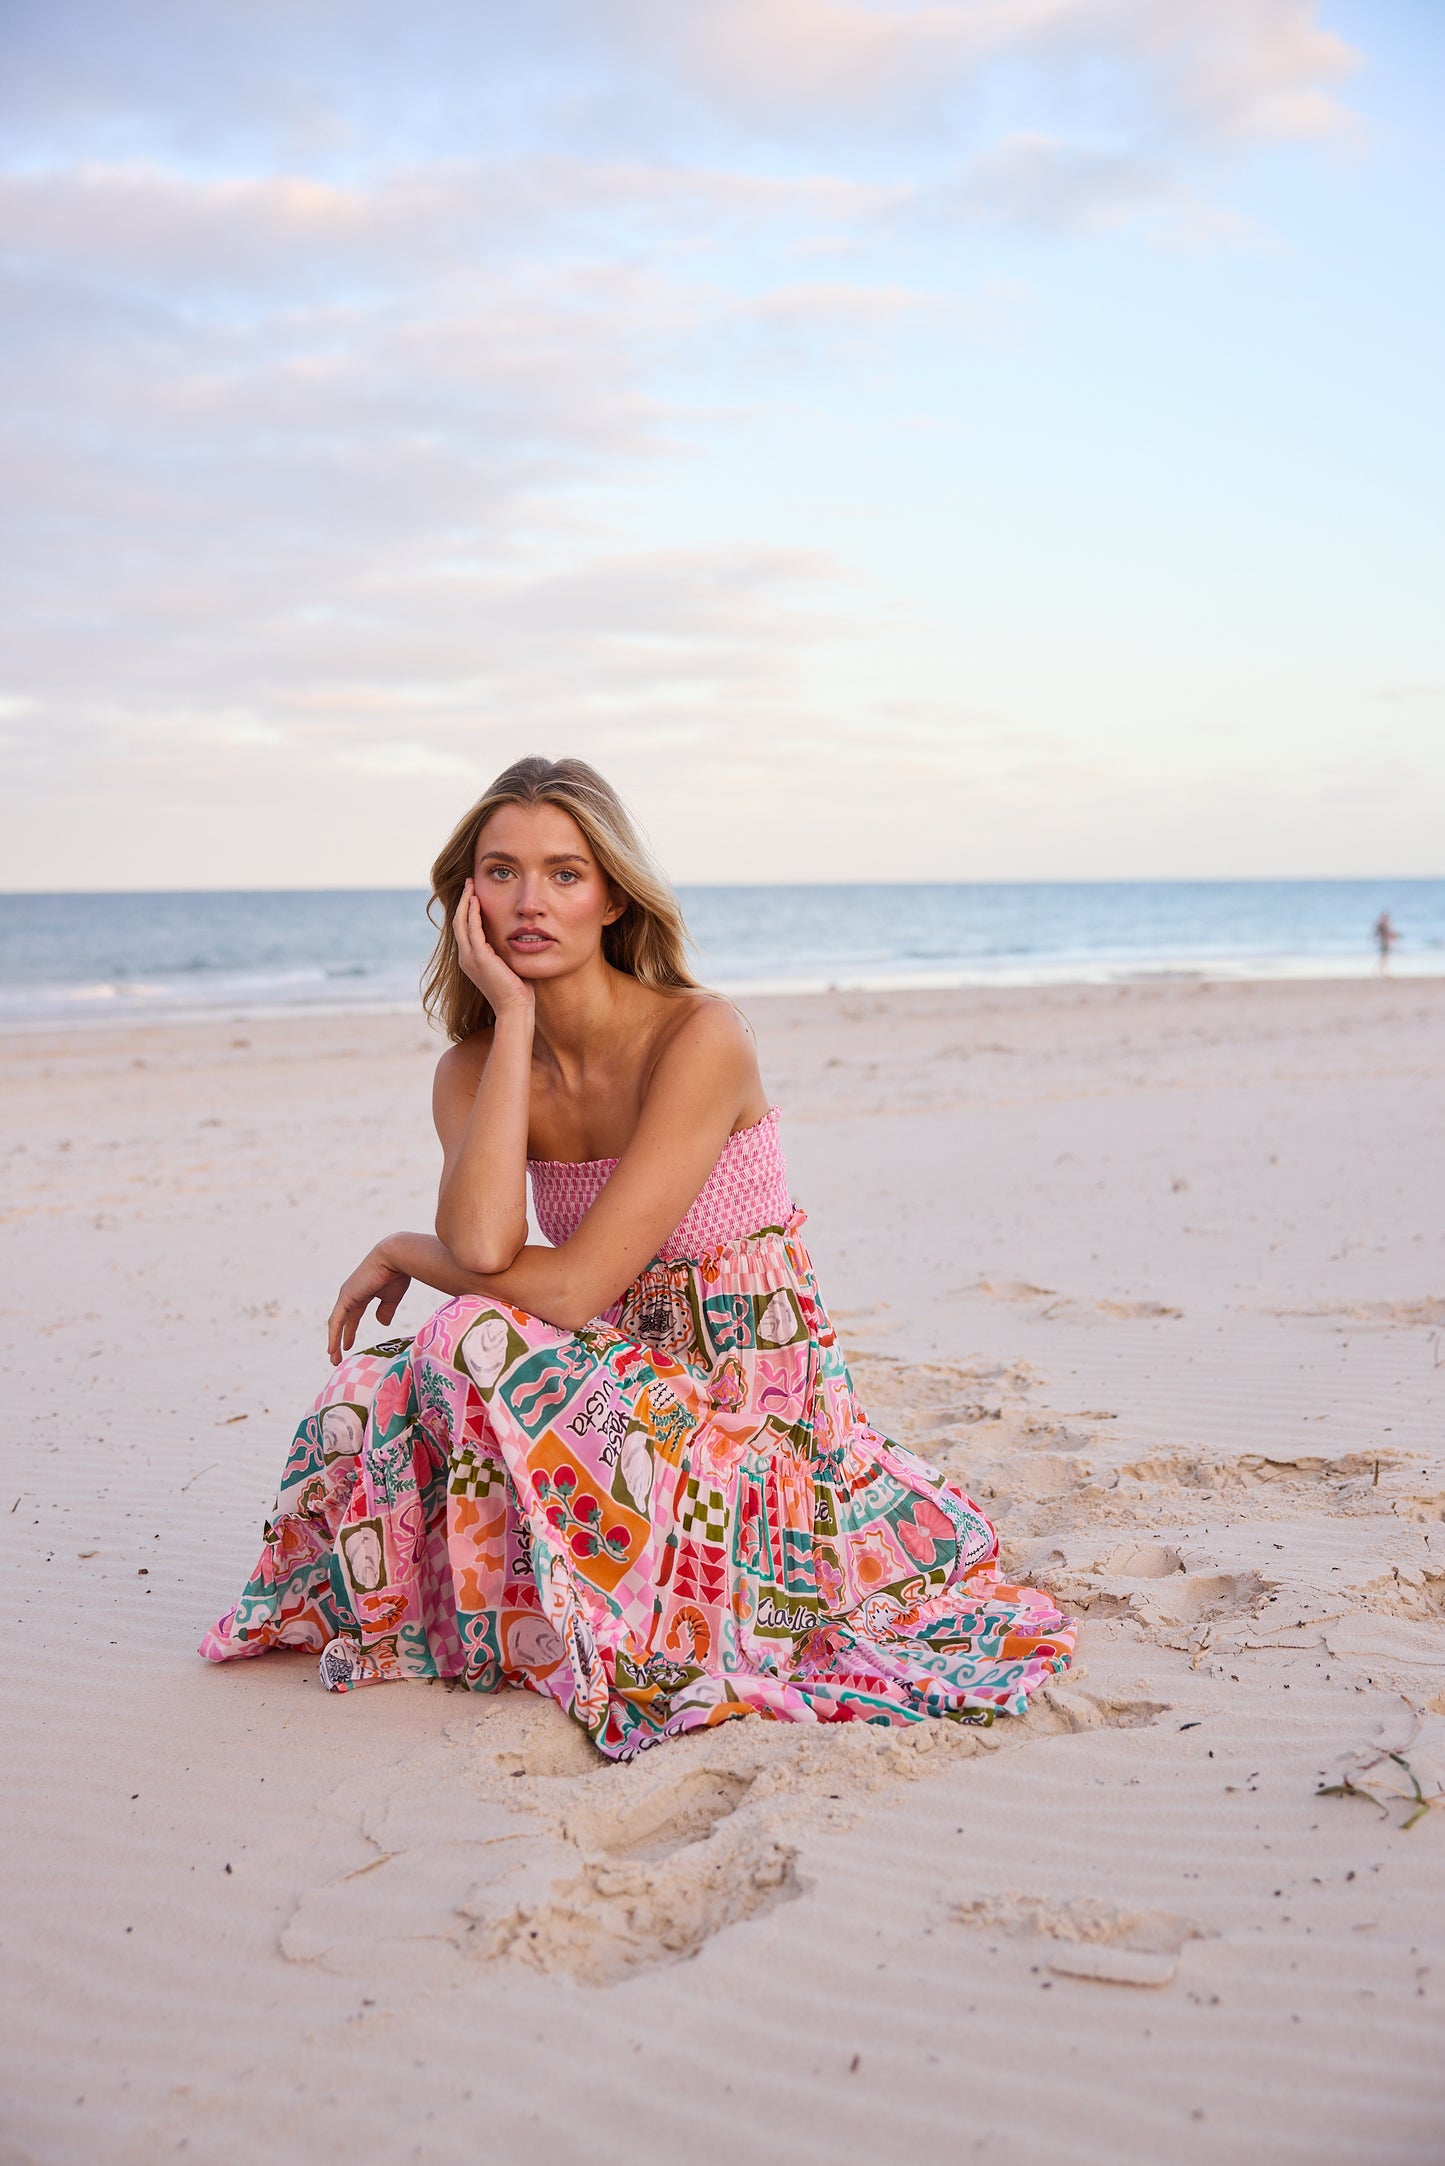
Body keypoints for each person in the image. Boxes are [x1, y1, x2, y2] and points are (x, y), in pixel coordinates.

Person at [200, 757, 1073, 1757]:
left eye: (564, 874)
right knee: (370, 1391)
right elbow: (487, 1243)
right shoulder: (471, 1072)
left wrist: (407, 1248)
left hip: (745, 1426)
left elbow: (568, 1286)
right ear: (463, 900)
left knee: (470, 1329)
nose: (531, 902)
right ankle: (498, 1618)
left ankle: (656, 1604)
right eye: (500, 873)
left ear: (611, 895)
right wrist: (514, 1020)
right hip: (610, 1411)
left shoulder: (699, 1038)